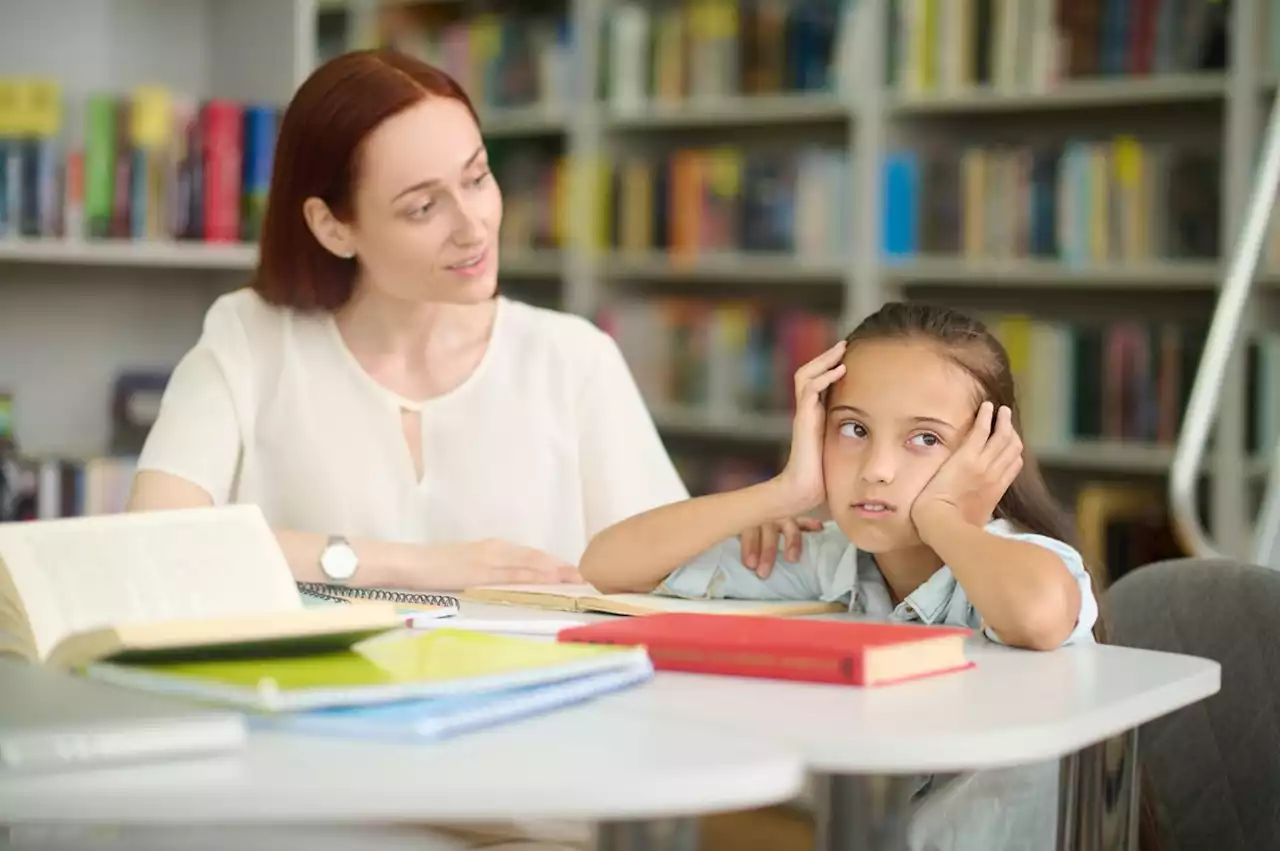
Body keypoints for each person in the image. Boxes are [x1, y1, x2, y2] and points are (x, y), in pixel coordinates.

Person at [125, 48, 700, 592]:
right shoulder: (249, 338)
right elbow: (158, 539)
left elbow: (666, 573)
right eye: (423, 207)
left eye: (477, 179)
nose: (472, 227)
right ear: (333, 227)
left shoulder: (574, 358)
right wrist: (420, 565)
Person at [579, 301, 1143, 851]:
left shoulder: (1014, 562)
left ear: (987, 452)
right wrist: (782, 492)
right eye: (853, 429)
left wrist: (943, 516)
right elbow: (607, 566)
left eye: (925, 439)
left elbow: (1039, 617)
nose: (876, 469)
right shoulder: (830, 559)